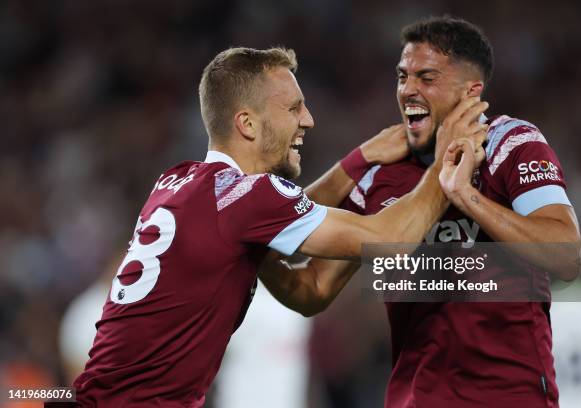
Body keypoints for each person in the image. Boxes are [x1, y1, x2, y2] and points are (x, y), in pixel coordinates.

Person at [71, 47, 487, 407]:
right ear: (247, 124)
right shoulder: (248, 200)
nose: (307, 119)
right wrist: (446, 161)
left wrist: (358, 161)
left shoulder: (178, 180)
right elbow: (388, 239)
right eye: (292, 108)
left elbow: (282, 221)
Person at [258, 17, 581, 408]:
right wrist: (253, 249)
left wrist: (464, 195)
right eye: (402, 77)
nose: (408, 90)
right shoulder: (379, 176)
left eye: (426, 78)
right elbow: (312, 289)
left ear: (470, 92)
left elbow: (567, 255)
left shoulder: (513, 145)